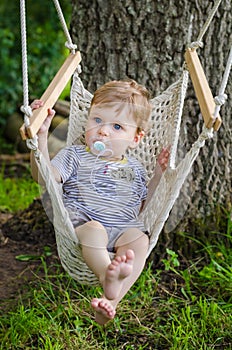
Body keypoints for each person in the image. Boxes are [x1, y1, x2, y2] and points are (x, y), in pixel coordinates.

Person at [30, 79, 170, 325]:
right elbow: (45, 178)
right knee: (95, 231)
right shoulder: (75, 155)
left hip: (122, 227)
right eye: (97, 121)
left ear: (135, 139)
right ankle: (108, 275)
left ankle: (109, 304)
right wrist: (40, 138)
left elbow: (143, 206)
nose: (103, 131)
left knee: (140, 239)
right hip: (86, 222)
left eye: (116, 126)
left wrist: (158, 176)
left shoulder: (136, 169)